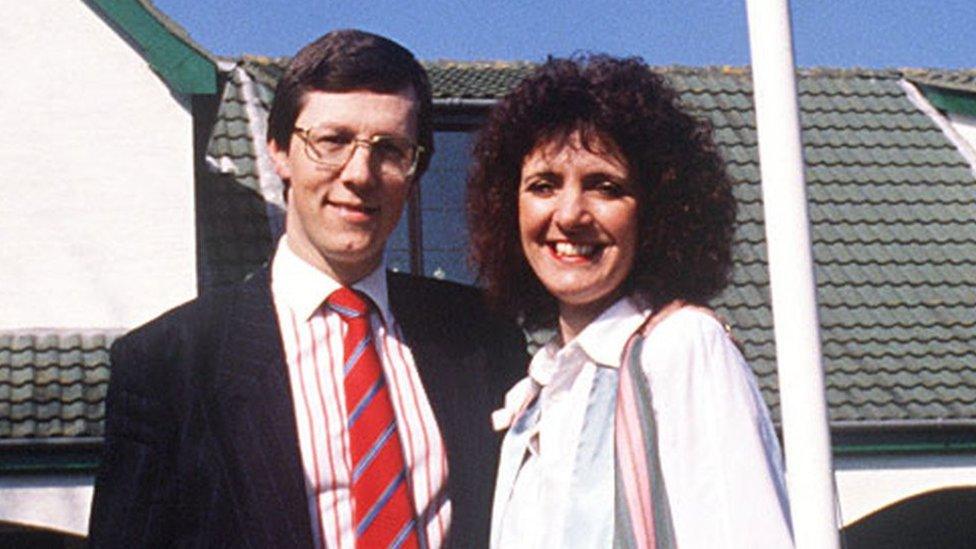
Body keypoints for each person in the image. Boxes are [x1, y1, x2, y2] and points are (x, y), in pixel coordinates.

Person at [89, 29, 526, 548]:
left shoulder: (481, 335)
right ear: (279, 152)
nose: (359, 174)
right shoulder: (172, 363)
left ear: (415, 171)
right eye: (333, 141)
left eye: (390, 149)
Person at [467, 55, 793, 548]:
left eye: (605, 186)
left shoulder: (681, 349)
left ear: (657, 211)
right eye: (543, 185)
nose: (570, 214)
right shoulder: (537, 391)